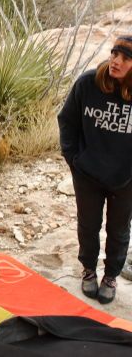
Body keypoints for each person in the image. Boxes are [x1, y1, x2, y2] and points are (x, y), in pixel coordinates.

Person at [58, 35, 132, 304]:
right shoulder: (88, 83)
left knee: (119, 229)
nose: (116, 61)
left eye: (125, 58)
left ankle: (110, 275)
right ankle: (89, 270)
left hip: (125, 179)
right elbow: (67, 121)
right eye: (115, 54)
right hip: (88, 173)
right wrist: (74, 159)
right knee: (88, 225)